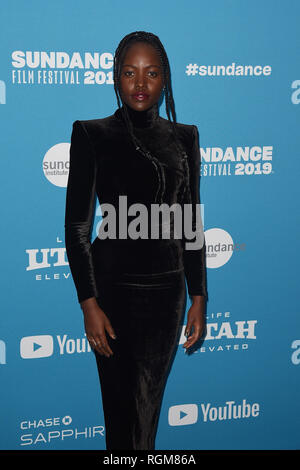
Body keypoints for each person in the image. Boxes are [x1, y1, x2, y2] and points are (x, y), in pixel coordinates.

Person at [64, 31, 208, 450]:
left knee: (147, 415)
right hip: (113, 298)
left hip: (166, 298)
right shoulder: (92, 134)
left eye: (151, 73)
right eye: (130, 73)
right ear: (116, 78)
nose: (140, 83)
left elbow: (190, 223)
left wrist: (198, 296)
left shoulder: (185, 138)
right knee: (122, 417)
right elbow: (77, 230)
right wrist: (89, 305)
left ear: (165, 80)